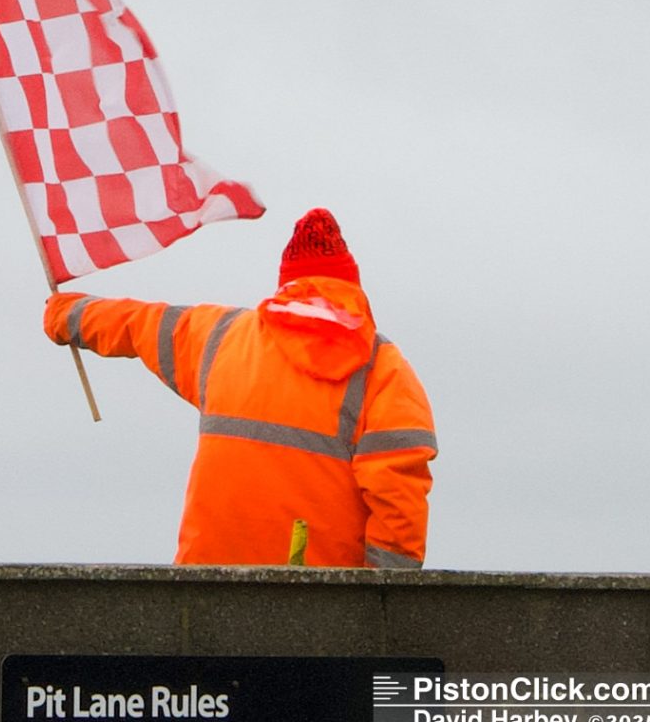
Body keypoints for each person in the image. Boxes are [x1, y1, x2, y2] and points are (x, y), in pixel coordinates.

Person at [41, 208, 435, 568]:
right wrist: (381, 601)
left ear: (285, 284)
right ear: (353, 289)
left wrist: (67, 313)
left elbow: (135, 322)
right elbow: (399, 501)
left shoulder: (221, 337)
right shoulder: (382, 369)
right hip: (320, 603)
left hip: (207, 589)